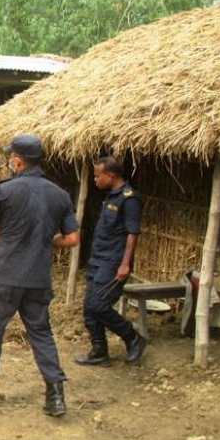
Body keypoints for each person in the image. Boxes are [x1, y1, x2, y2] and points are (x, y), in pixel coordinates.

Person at [0, 134, 80, 416]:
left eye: (10, 157)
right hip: (38, 279)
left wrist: (0, 233)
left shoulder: (4, 191)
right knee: (42, 334)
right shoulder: (59, 195)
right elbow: (73, 239)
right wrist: (49, 240)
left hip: (5, 278)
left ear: (17, 160)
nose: (9, 161)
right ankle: (55, 396)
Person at [75, 156, 146, 366]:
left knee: (99, 305)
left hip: (113, 262)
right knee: (89, 307)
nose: (95, 179)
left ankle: (133, 337)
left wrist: (125, 264)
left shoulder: (129, 199)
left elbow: (133, 233)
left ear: (111, 175)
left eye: (98, 176)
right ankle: (99, 351)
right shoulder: (111, 197)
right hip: (98, 259)